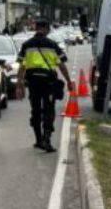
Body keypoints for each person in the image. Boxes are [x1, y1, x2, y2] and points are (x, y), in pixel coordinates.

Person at [14, 19, 74, 152]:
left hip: (33, 82)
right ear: (46, 29)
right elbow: (62, 65)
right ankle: (47, 138)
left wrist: (19, 86)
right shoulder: (52, 45)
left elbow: (21, 67)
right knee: (48, 110)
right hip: (48, 82)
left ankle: (38, 140)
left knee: (36, 110)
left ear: (36, 28)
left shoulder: (26, 45)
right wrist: (69, 82)